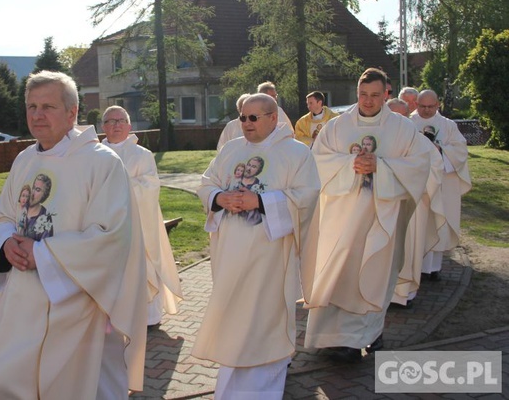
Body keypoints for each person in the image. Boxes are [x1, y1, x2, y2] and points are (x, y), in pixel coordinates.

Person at [0, 71, 148, 399]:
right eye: (32, 106)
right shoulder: (25, 159)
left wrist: (42, 253)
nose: (37, 115)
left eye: (48, 106)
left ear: (72, 112)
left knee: (80, 385)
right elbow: (2, 214)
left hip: (75, 299)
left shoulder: (101, 163)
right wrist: (7, 242)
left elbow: (111, 236)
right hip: (20, 299)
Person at [193, 93, 320, 399]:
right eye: (243, 118)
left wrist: (261, 201)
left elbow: (307, 196)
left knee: (264, 325)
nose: (246, 124)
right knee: (235, 325)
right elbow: (206, 182)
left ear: (273, 118)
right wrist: (220, 198)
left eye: (253, 118)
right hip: (230, 257)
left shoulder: (296, 153)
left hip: (270, 259)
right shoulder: (232, 149)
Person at [303, 68, 431, 362]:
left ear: (386, 93)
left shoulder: (401, 128)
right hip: (342, 219)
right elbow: (317, 162)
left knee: (373, 276)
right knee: (338, 276)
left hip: (381, 217)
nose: (369, 101)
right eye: (363, 95)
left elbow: (419, 165)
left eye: (375, 95)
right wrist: (351, 164)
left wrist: (381, 167)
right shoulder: (338, 126)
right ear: (356, 92)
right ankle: (330, 338)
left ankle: (364, 336)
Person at [101, 105, 183, 328]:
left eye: (120, 121)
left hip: (139, 222)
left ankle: (149, 317)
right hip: (103, 226)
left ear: (129, 126)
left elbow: (150, 186)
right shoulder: (94, 155)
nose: (116, 125)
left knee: (143, 267)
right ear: (103, 127)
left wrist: (119, 187)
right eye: (110, 121)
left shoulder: (142, 155)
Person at [386, 98, 446, 309]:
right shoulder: (380, 139)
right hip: (382, 207)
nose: (398, 121)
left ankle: (403, 294)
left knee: (407, 251)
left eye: (402, 116)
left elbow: (435, 168)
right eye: (393, 116)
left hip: (412, 206)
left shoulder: (420, 142)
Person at [410, 90, 471, 280]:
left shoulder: (448, 125)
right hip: (416, 186)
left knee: (437, 224)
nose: (426, 110)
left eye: (430, 106)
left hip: (441, 185)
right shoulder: (407, 124)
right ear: (416, 104)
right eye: (422, 106)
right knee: (416, 227)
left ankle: (433, 268)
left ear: (437, 105)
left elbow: (460, 151)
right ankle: (414, 269)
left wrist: (440, 150)